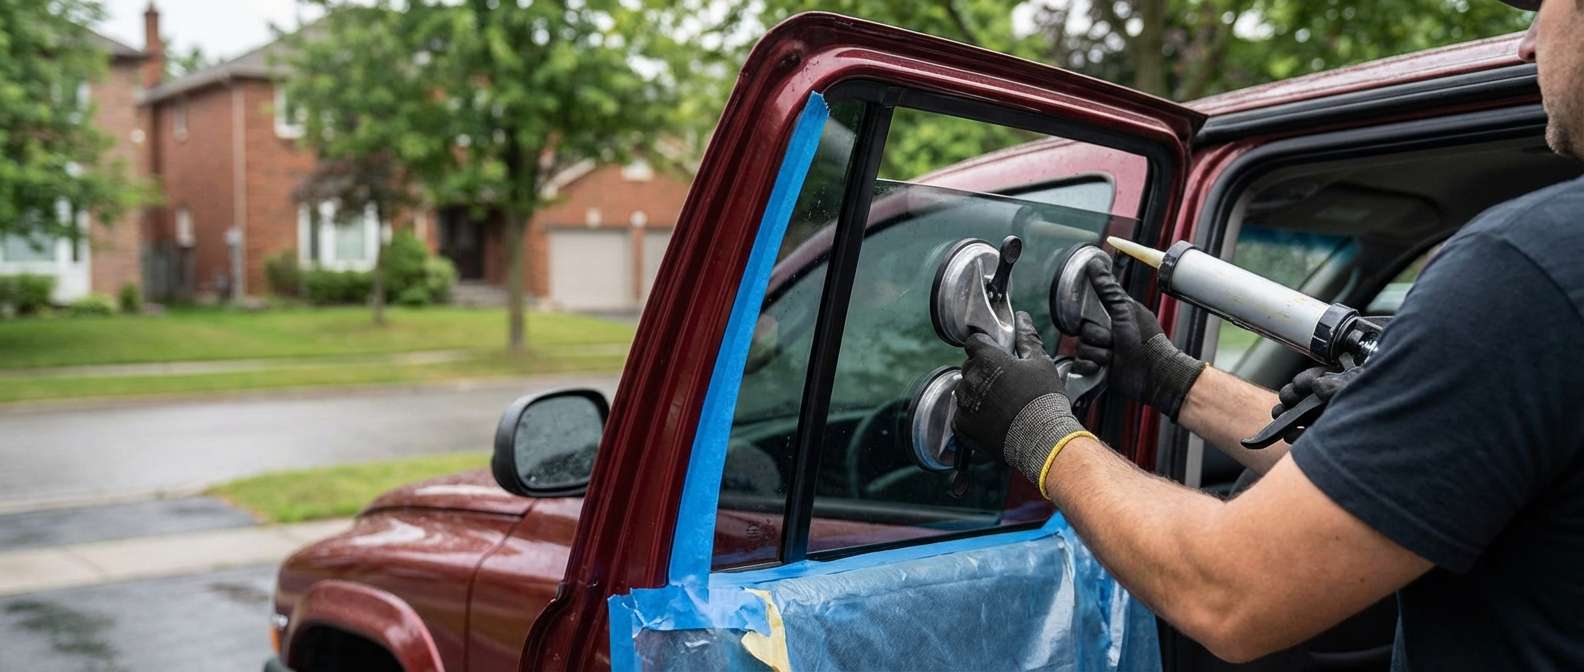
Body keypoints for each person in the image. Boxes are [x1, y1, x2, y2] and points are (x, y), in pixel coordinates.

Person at [952, 1, 1584, 668]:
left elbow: (1229, 592)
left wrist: (1039, 430)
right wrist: (1172, 379)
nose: (1525, 44)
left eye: (1547, 6)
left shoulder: (1529, 268)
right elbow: (1395, 485)